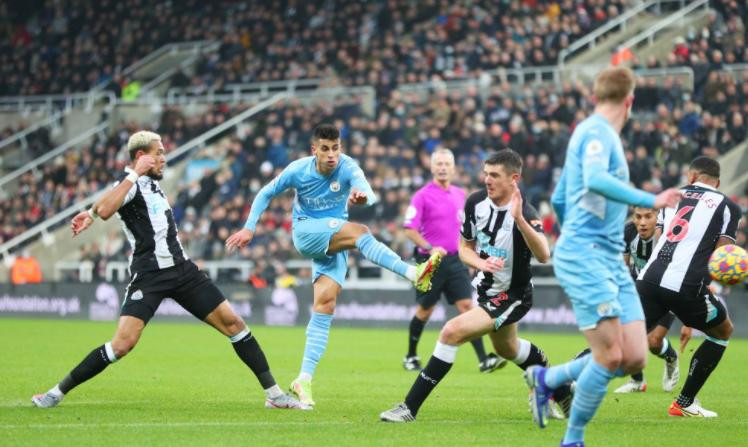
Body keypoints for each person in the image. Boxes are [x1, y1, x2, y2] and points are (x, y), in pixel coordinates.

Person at [32, 131, 305, 410]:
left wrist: (89, 214)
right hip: (149, 276)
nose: (164, 158)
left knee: (235, 324)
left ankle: (274, 395)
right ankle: (55, 392)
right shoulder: (131, 184)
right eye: (158, 153)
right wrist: (99, 208)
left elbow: (102, 210)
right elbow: (106, 210)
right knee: (122, 344)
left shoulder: (151, 183)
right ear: (141, 157)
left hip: (183, 271)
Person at [225, 124, 442, 408]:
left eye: (335, 148)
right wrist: (249, 228)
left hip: (334, 238)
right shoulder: (298, 170)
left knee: (325, 305)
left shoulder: (349, 167)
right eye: (325, 149)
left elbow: (368, 192)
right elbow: (266, 192)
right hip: (306, 232)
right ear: (314, 149)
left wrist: (363, 197)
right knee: (361, 231)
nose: (331, 155)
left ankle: (303, 379)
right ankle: (413, 273)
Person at [524, 66, 682, 446]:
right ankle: (573, 438)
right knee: (610, 356)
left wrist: (578, 228)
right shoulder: (597, 133)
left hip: (608, 257)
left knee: (636, 357)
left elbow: (561, 199)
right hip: (587, 255)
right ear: (629, 102)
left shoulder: (589, 133)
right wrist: (650, 199)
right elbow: (595, 179)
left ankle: (547, 378)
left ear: (597, 96)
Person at [379, 149, 573, 423]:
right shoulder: (475, 203)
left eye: (494, 175)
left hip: (513, 294)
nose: (487, 180)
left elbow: (543, 255)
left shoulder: (525, 212)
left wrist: (518, 219)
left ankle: (409, 407)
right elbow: (464, 248)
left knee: (450, 332)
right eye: (486, 173)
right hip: (486, 287)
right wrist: (480, 264)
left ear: (513, 179)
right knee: (508, 349)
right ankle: (561, 387)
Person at [637, 156, 740, 417]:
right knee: (722, 330)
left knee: (621, 338)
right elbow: (722, 255)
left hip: (649, 278)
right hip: (687, 285)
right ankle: (683, 403)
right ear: (717, 182)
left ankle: (562, 382)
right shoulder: (727, 206)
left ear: (692, 177)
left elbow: (661, 238)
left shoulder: (671, 196)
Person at [401, 148, 504, 373]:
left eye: (447, 164)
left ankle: (483, 359)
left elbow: (469, 231)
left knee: (467, 307)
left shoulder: (460, 195)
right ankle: (410, 355)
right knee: (425, 310)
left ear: (454, 168)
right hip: (430, 261)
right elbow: (409, 228)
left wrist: (471, 258)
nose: (443, 168)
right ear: (431, 167)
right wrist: (429, 247)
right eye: (439, 164)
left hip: (456, 260)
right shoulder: (422, 195)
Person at [614, 207, 682, 393]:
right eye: (638, 217)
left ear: (658, 218)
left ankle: (671, 358)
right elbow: (623, 266)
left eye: (648, 217)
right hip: (641, 289)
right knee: (629, 337)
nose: (642, 222)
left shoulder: (671, 234)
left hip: (667, 291)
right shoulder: (628, 232)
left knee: (653, 342)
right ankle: (638, 382)